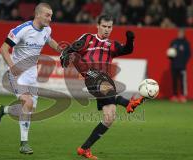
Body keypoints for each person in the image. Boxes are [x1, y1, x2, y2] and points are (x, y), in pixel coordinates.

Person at [60, 14, 145, 159]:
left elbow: (127, 50)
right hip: (91, 76)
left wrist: (130, 40)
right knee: (99, 77)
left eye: (109, 27)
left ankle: (84, 148)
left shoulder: (112, 44)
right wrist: (65, 56)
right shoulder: (87, 38)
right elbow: (70, 50)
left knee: (109, 117)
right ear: (98, 26)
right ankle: (127, 103)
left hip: (105, 82)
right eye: (104, 26)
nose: (106, 29)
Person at [0, 3, 62, 154]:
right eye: (47, 15)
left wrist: (60, 50)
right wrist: (12, 66)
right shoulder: (21, 30)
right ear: (37, 14)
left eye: (51, 16)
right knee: (28, 103)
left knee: (29, 109)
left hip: (32, 75)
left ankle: (3, 110)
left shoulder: (46, 29)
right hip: (17, 74)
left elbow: (49, 40)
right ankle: (24, 144)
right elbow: (3, 49)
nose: (50, 19)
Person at [168, 28, 191, 102]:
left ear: (183, 34)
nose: (180, 34)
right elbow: (169, 53)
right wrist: (170, 57)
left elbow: (189, 54)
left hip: (182, 66)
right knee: (174, 81)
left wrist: (184, 62)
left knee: (182, 82)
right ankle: (174, 95)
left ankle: (182, 96)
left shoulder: (186, 43)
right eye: (179, 33)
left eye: (181, 33)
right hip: (174, 65)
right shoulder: (174, 42)